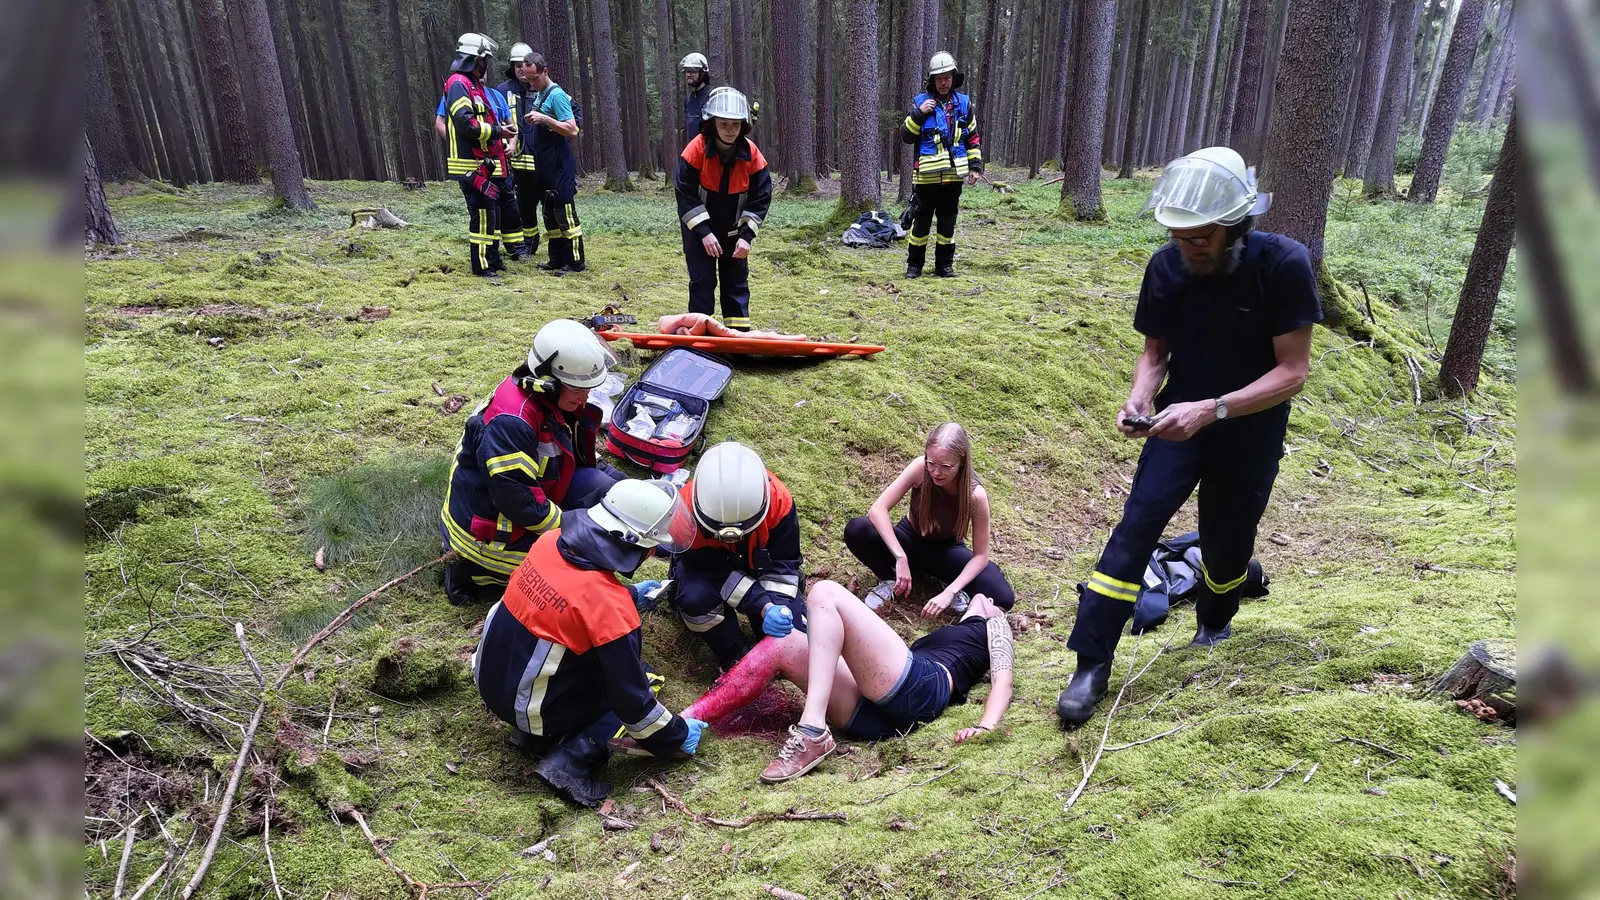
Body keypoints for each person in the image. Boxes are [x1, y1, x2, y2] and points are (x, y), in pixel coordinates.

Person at [1056, 146, 1321, 729]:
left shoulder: (1284, 264)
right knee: (1137, 526)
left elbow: (1293, 372)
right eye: (1178, 236)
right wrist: (1142, 396)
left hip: (1250, 427)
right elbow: (1155, 352)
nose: (1187, 248)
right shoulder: (1167, 266)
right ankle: (1091, 661)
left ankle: (1214, 619)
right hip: (1178, 424)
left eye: (1200, 238)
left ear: (1235, 226)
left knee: (1227, 541)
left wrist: (1215, 408)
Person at [616, 581, 1014, 784]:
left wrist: (986, 726)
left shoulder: (996, 624)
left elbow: (1003, 680)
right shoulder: (953, 628)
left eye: (987, 597)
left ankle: (811, 729)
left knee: (824, 591)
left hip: (925, 690)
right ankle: (678, 727)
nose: (981, 598)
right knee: (785, 643)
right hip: (875, 716)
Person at [472, 478, 708, 807]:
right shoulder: (610, 609)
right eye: (651, 546)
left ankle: (529, 734)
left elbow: (570, 599)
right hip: (530, 707)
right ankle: (570, 761)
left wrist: (630, 594)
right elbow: (633, 703)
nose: (653, 552)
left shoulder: (550, 542)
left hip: (491, 679)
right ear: (629, 544)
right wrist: (677, 737)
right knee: (644, 679)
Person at [440, 320, 627, 605]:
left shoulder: (544, 399)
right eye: (577, 388)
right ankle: (472, 573)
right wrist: (573, 529)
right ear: (549, 382)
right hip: (488, 537)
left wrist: (627, 486)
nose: (585, 396)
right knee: (583, 566)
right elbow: (520, 503)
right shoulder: (511, 422)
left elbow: (571, 452)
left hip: (522, 504)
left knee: (605, 489)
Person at [843, 422, 1015, 616]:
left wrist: (951, 591)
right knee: (857, 528)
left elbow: (981, 556)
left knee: (1002, 596)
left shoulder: (975, 495)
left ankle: (948, 583)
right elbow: (878, 510)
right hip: (909, 540)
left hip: (946, 551)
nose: (936, 472)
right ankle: (889, 579)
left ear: (962, 462)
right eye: (931, 463)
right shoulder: (919, 468)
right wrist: (900, 557)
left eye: (946, 467)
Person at [666, 441, 803, 671]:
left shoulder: (778, 502)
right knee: (694, 601)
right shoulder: (684, 514)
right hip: (707, 573)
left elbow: (784, 563)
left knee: (793, 635)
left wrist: (778, 606)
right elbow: (708, 571)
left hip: (760, 568)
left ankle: (770, 647)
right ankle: (732, 653)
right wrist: (762, 604)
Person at [675, 87, 771, 331]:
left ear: (744, 125)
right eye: (724, 123)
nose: (730, 129)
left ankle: (737, 337)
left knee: (736, 284)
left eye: (735, 124)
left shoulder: (753, 155)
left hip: (734, 232)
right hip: (699, 233)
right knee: (702, 282)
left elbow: (760, 199)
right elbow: (685, 195)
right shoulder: (695, 151)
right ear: (712, 123)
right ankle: (700, 336)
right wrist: (705, 233)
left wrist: (747, 237)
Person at [901, 51, 983, 279]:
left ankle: (944, 267)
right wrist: (918, 114)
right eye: (939, 78)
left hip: (953, 178)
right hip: (925, 180)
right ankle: (914, 267)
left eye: (947, 77)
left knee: (947, 226)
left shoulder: (964, 105)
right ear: (932, 81)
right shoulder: (920, 104)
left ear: (953, 78)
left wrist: (975, 167)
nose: (943, 82)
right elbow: (906, 136)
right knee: (920, 227)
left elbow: (972, 138)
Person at [441, 33, 517, 277]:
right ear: (476, 59)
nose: (487, 65)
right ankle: (482, 267)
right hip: (471, 166)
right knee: (482, 216)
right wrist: (498, 131)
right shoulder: (458, 84)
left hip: (486, 164)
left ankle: (492, 259)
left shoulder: (474, 86)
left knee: (491, 214)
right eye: (485, 59)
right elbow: (465, 124)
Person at [438, 67, 530, 263]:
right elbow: (450, 124)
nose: (483, 71)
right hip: (477, 165)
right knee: (485, 212)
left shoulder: (495, 96)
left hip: (500, 163)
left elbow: (509, 126)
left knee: (507, 208)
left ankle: (509, 252)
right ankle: (486, 260)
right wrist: (462, 148)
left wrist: (511, 145)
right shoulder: (459, 89)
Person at [518, 53, 587, 274]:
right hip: (544, 164)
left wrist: (544, 119)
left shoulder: (556, 95)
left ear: (545, 71)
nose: (532, 82)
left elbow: (573, 129)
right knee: (549, 212)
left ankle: (575, 262)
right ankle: (556, 259)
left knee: (564, 213)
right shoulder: (540, 94)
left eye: (535, 78)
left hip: (559, 163)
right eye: (528, 79)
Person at [495, 42, 544, 260]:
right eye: (517, 67)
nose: (522, 71)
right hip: (512, 163)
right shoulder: (501, 92)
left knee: (547, 205)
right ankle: (524, 245)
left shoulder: (546, 90)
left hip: (542, 161)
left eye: (525, 66)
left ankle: (540, 244)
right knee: (519, 207)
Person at [656, 312, 806, 341]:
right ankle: (778, 336)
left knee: (735, 335)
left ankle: (781, 337)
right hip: (703, 323)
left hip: (705, 322)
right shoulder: (673, 324)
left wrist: (691, 335)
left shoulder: (671, 324)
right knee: (735, 334)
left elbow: (702, 321)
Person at [681, 52, 712, 146]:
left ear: (702, 73)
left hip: (708, 153)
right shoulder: (689, 99)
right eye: (687, 71)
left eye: (693, 71)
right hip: (693, 152)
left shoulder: (711, 95)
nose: (689, 74)